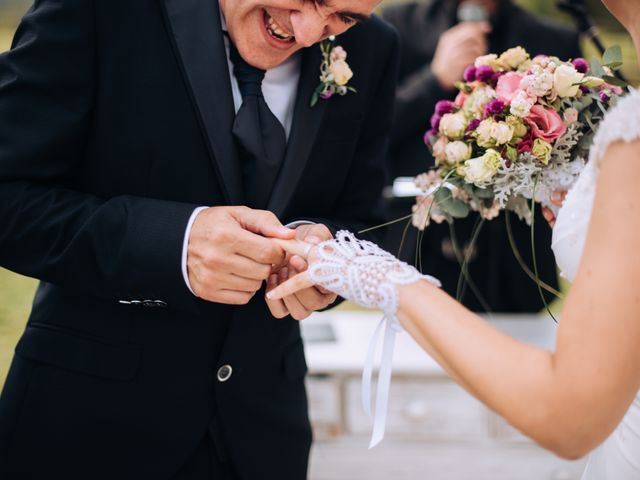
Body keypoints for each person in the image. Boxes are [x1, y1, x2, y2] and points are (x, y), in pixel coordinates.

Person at [0, 0, 398, 478]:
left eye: (344, 17)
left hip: (264, 436)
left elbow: (362, 220)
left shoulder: (375, 48)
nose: (311, 32)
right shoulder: (100, 11)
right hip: (87, 426)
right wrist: (174, 243)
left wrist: (324, 258)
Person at [268, 1, 640, 476]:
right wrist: (434, 80)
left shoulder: (572, 59)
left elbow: (570, 415)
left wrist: (376, 277)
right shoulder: (394, 27)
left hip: (513, 268)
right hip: (422, 240)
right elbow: (367, 145)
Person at [381, 0, 582, 312]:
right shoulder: (398, 24)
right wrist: (433, 79)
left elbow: (574, 146)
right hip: (417, 246)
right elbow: (370, 131)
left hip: (515, 257)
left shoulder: (553, 39)